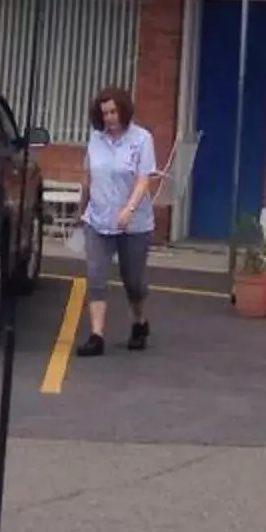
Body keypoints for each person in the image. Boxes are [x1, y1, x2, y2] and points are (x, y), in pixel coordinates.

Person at [75, 85, 159, 357]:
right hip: (97, 220)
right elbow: (88, 175)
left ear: (123, 109)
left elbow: (143, 179)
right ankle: (97, 336)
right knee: (96, 277)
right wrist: (82, 206)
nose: (109, 118)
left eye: (113, 111)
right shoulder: (96, 139)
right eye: (104, 113)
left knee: (133, 281)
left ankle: (139, 322)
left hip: (133, 225)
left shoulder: (142, 139)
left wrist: (129, 209)